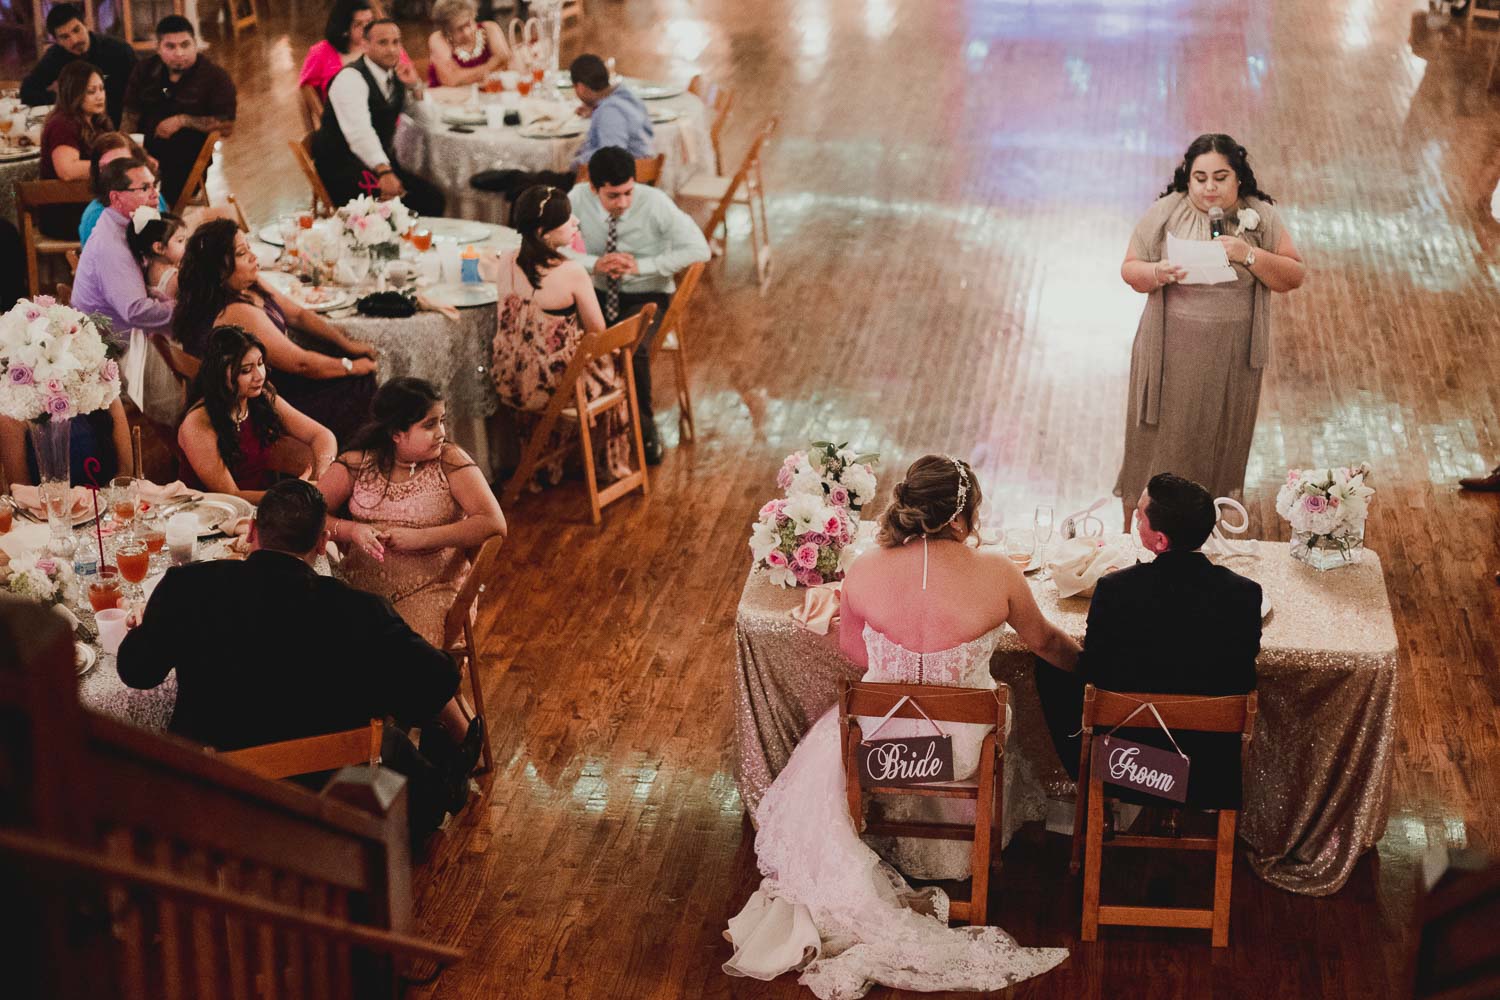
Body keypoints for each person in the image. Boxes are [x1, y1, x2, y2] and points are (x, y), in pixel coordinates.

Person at [725, 456, 1076, 996]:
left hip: (879, 740)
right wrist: (1098, 668)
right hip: (961, 749)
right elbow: (1048, 644)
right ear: (964, 515)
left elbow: (854, 654)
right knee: (993, 715)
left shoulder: (864, 568)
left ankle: (883, 839)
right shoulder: (1000, 573)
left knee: (834, 735)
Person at [116, 479, 480, 843]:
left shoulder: (185, 587)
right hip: (324, 793)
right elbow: (437, 681)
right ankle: (441, 792)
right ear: (322, 543)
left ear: (253, 530)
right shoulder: (361, 611)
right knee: (397, 742)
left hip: (213, 789)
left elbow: (136, 672)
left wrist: (151, 622)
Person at [1033, 472, 1261, 811]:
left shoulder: (1115, 590)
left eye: (1140, 515)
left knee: (1048, 667)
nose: (1135, 519)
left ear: (1160, 542)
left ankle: (1087, 781)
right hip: (1210, 771)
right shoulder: (1245, 594)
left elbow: (1092, 672)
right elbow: (1241, 676)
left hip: (1124, 765)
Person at [1115, 133, 1305, 528]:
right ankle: (1146, 528)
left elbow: (1292, 276)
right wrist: (1156, 272)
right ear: (1188, 178)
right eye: (1200, 178)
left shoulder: (1260, 216)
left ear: (1238, 178)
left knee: (1215, 440)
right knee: (1161, 440)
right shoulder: (1166, 211)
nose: (1210, 187)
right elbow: (1130, 269)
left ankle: (1202, 527)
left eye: (1220, 177)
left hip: (1231, 357)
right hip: (1170, 352)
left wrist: (1247, 253)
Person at [321, 377, 506, 742]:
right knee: (327, 645)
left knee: (397, 654)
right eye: (430, 424)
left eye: (442, 420)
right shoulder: (360, 463)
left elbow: (493, 522)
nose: (442, 432)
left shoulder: (450, 462)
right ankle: (356, 749)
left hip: (434, 588)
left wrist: (422, 539)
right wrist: (351, 531)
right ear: (395, 433)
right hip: (361, 590)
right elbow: (310, 513)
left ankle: (446, 740)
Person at [175, 220, 378, 442]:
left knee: (339, 360)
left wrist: (346, 345)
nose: (254, 257)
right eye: (242, 254)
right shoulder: (235, 312)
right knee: (360, 384)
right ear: (221, 270)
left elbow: (298, 315)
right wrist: (353, 366)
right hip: (259, 400)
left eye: (249, 248)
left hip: (266, 381)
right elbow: (301, 363)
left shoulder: (246, 284)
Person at [567, 146, 709, 464]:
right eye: (613, 196)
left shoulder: (654, 202)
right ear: (594, 188)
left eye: (628, 192)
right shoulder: (577, 198)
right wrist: (595, 263)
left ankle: (644, 433)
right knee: (566, 342)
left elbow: (699, 249)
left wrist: (642, 267)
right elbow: (553, 246)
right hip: (597, 292)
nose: (624, 203)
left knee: (633, 349)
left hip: (647, 294)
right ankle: (582, 436)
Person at [485, 185, 634, 484]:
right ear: (544, 232)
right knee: (617, 367)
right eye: (568, 219)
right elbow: (598, 332)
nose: (576, 222)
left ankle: (550, 460)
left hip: (509, 378)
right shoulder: (572, 271)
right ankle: (607, 465)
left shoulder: (505, 261)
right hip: (553, 386)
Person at [177, 325, 337, 503]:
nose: (259, 375)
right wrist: (292, 495)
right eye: (246, 370)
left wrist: (323, 470)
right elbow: (231, 495)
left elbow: (321, 434)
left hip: (264, 502)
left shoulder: (260, 397)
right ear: (220, 375)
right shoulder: (197, 424)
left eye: (260, 363)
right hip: (212, 514)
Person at [312, 18, 445, 216]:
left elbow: (430, 120)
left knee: (433, 198)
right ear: (365, 45)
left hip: (377, 163)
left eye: (396, 42)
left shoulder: (396, 76)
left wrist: (415, 85)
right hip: (344, 168)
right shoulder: (350, 79)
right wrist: (385, 172)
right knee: (410, 207)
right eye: (383, 43)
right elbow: (359, 133)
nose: (392, 49)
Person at [121, 16, 237, 206]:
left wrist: (183, 120)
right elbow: (130, 114)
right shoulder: (144, 71)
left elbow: (227, 126)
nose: (179, 53)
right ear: (158, 47)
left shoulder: (214, 77)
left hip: (187, 159)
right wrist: (130, 150)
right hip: (143, 152)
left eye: (185, 45)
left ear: (195, 44)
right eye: (170, 47)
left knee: (149, 196)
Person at [71, 156, 175, 344]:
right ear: (116, 197)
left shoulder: (119, 224)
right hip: (115, 349)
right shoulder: (111, 244)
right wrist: (187, 310)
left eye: (155, 185)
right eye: (144, 188)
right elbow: (135, 311)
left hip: (121, 334)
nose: (155, 195)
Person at [20, 2, 136, 125]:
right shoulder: (55, 56)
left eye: (76, 30)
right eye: (65, 37)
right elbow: (28, 91)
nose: (74, 40)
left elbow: (140, 91)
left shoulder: (119, 50)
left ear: (86, 24)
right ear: (57, 41)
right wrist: (66, 98)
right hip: (77, 124)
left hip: (117, 120)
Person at [37, 62, 112, 236]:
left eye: (101, 89)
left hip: (89, 204)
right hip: (66, 214)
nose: (100, 96)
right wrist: (114, 165)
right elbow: (67, 170)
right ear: (74, 93)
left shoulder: (97, 122)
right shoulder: (62, 124)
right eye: (91, 91)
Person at [0, 401, 131, 488]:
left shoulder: (106, 390)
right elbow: (21, 490)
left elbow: (125, 472)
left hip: (106, 513)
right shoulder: (12, 411)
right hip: (46, 519)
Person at [78, 132, 167, 245]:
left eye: (123, 164)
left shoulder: (155, 197)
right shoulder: (96, 215)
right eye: (105, 168)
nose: (113, 174)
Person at [568, 53, 653, 169]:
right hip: (638, 169)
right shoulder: (625, 96)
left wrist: (576, 163)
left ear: (581, 87)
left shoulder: (609, 112)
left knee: (542, 179)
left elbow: (612, 158)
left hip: (621, 178)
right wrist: (595, 111)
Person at [425, 0, 509, 87]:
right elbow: (452, 80)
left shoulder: (490, 29)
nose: (467, 32)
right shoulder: (438, 39)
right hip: (449, 98)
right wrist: (491, 66)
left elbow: (505, 62)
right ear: (447, 30)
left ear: (473, 16)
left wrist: (465, 76)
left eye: (468, 24)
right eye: (459, 29)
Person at [124, 207, 186, 299]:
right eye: (180, 241)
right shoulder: (175, 279)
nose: (186, 246)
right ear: (159, 248)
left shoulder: (147, 267)